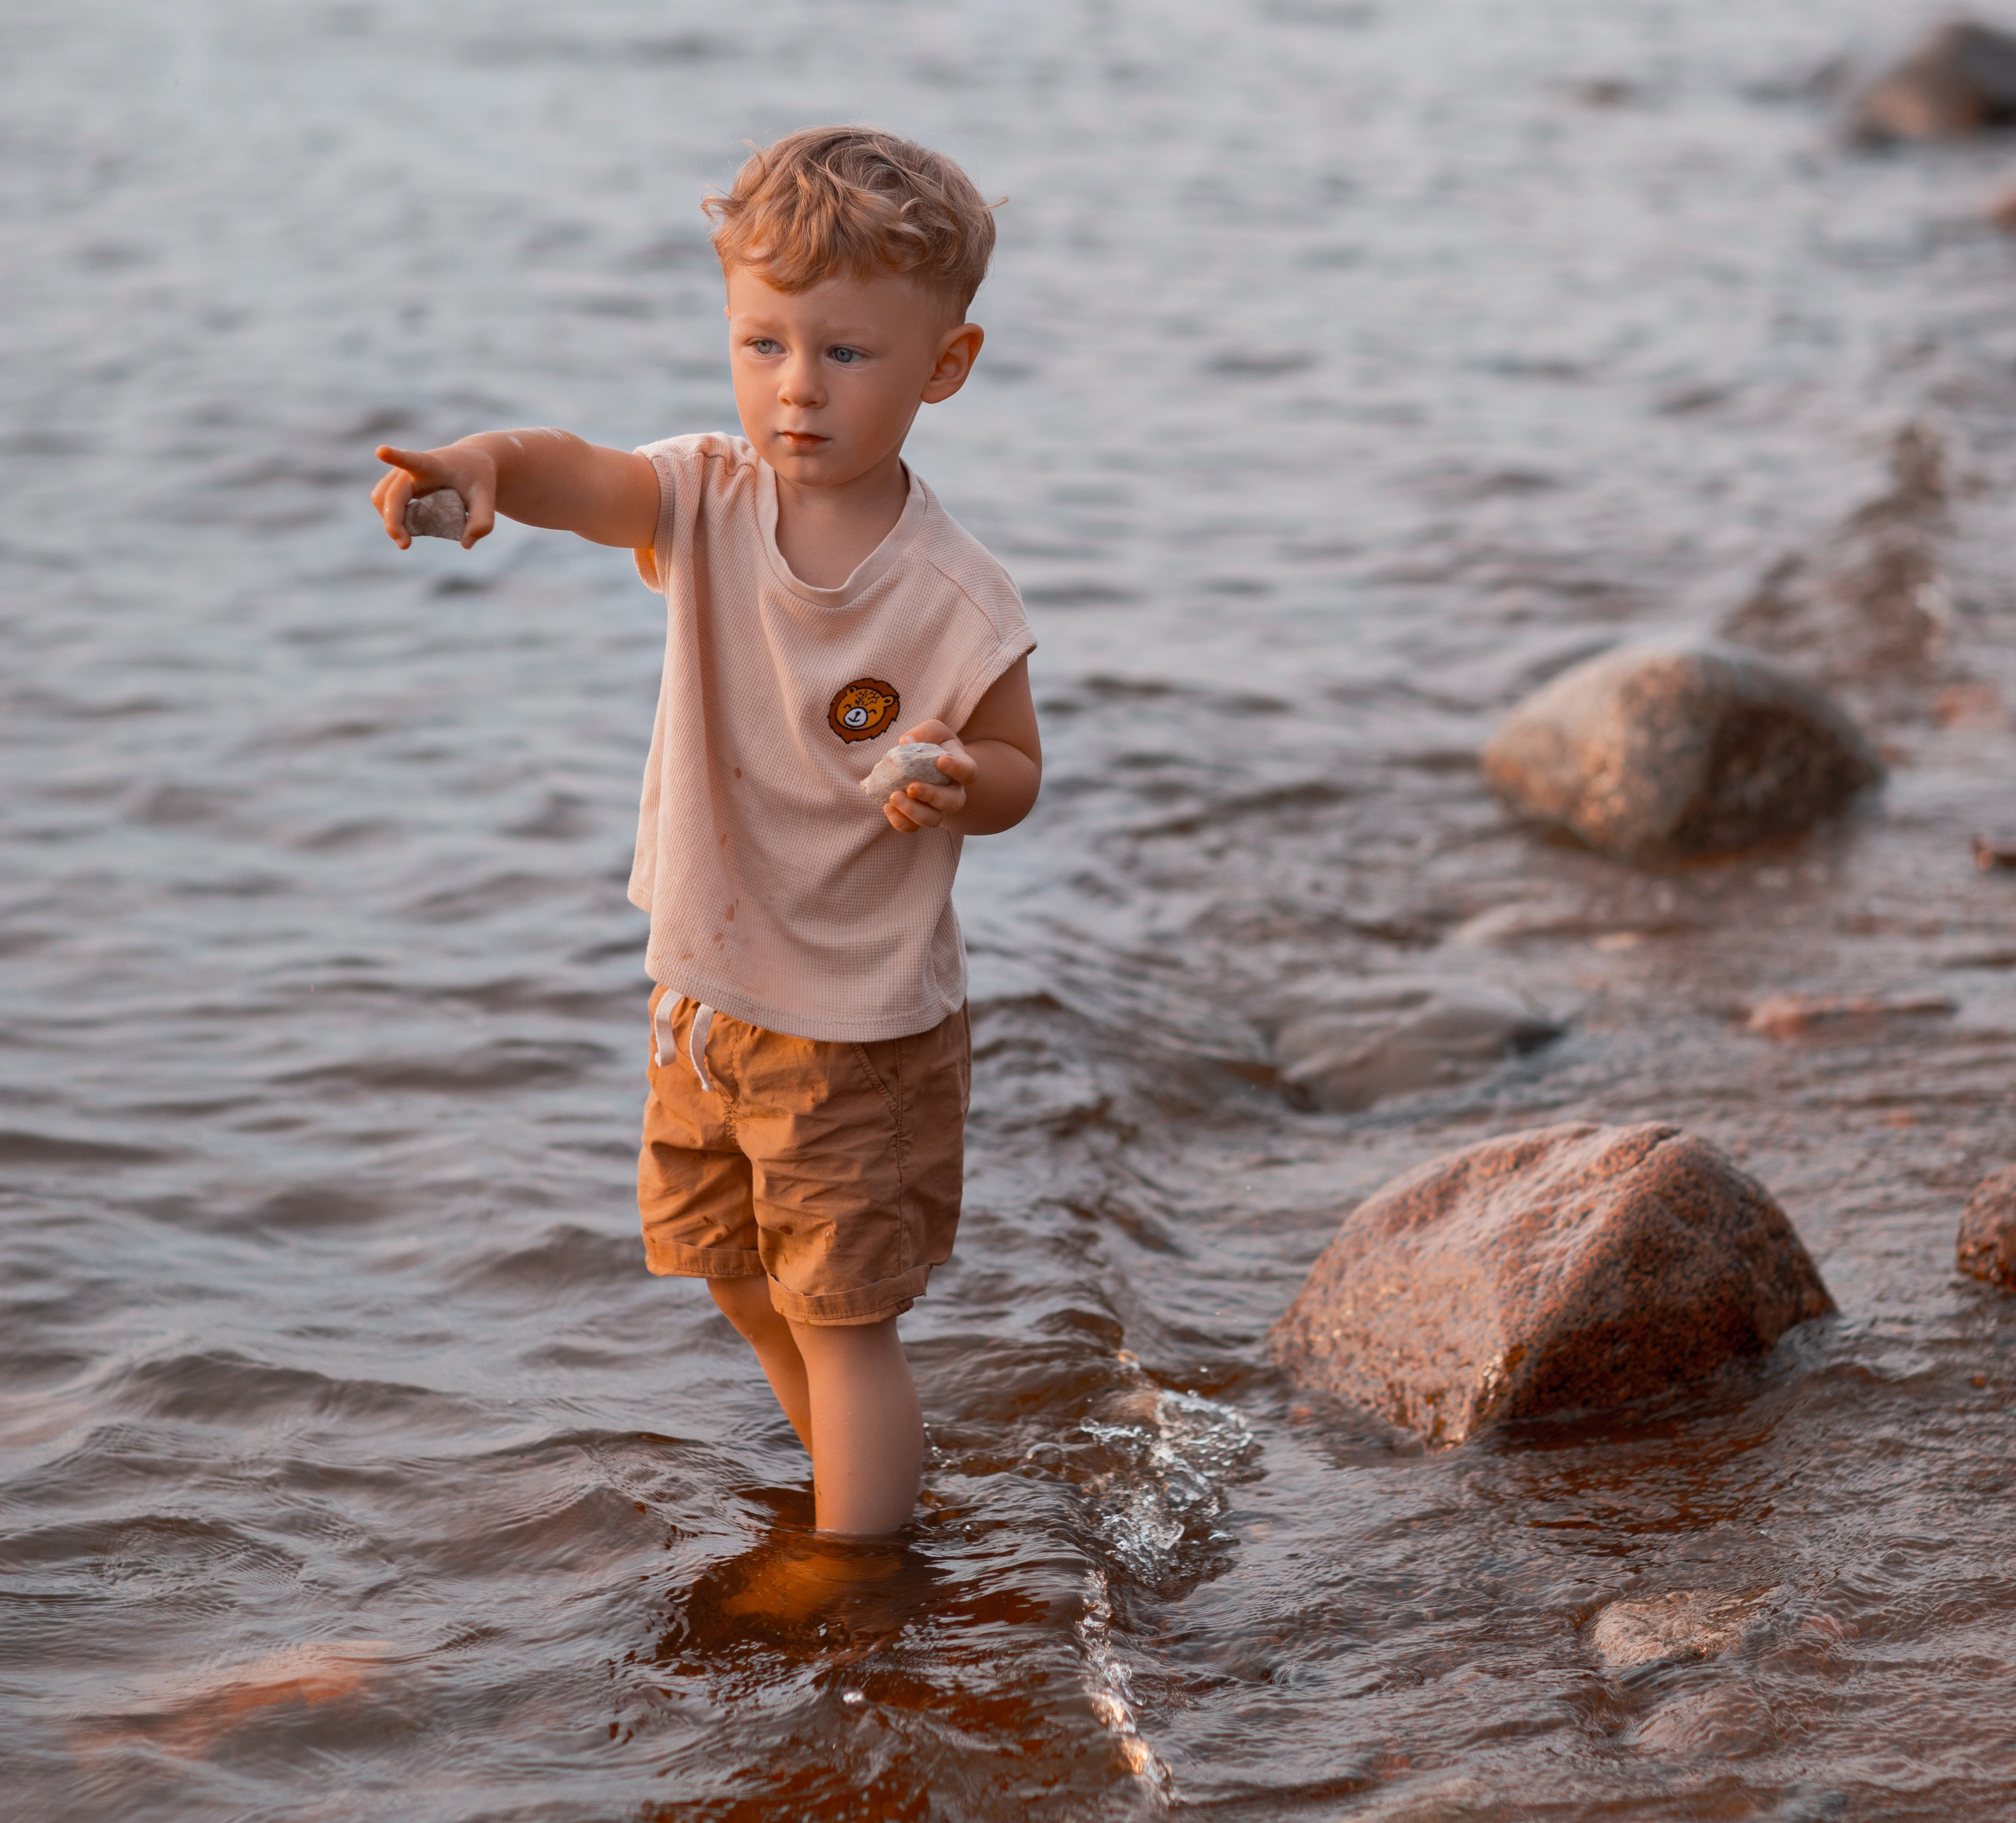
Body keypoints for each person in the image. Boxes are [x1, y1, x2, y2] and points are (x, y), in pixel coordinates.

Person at [369, 127, 1039, 1538]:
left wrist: (959, 778)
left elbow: (1020, 768)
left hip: (857, 1024)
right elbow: (578, 474)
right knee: (733, 1270)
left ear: (945, 366)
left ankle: (864, 1582)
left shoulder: (956, 595)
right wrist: (487, 465)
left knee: (843, 1315)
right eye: (763, 344)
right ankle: (870, 1490)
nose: (795, 389)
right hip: (705, 997)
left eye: (846, 355)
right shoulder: (709, 497)